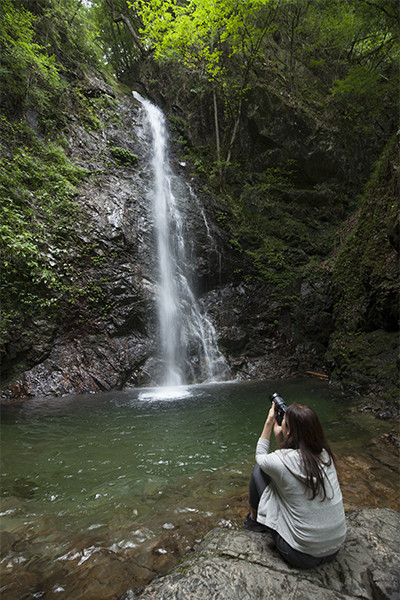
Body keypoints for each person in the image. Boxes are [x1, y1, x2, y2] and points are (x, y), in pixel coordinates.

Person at [244, 400, 346, 568]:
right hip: (334, 548)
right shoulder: (325, 455)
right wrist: (280, 436)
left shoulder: (281, 462)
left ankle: (254, 521)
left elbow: (261, 457)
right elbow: (285, 463)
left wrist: (269, 422)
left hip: (301, 555)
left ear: (290, 431)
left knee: (258, 471)